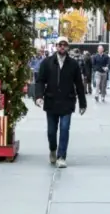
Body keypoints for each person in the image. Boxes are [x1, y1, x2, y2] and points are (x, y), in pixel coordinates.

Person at [34, 37, 86, 168]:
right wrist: (39, 96)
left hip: (67, 101)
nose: (62, 47)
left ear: (67, 47)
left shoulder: (73, 64)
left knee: (64, 129)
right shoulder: (47, 62)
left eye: (65, 45)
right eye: (60, 45)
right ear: (56, 46)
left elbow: (79, 84)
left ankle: (61, 156)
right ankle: (53, 149)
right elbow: (40, 80)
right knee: (51, 131)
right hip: (51, 101)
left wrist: (83, 103)